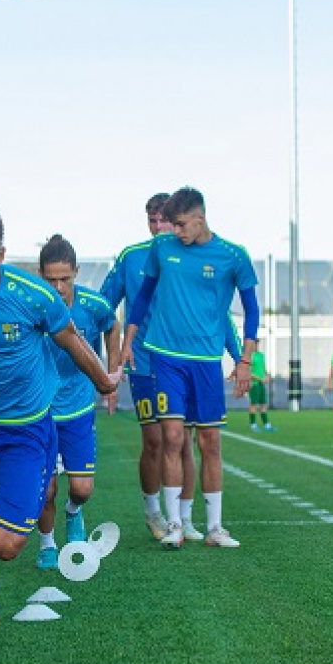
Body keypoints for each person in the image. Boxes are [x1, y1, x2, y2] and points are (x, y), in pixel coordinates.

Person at [0, 200, 119, 646]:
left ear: (2, 255)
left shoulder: (34, 296)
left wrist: (105, 382)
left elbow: (71, 340)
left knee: (6, 547)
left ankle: (16, 494)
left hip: (26, 430)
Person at [120, 186, 259, 549]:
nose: (174, 231)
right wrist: (128, 341)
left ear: (200, 218)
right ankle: (175, 525)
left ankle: (214, 528)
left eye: (181, 224)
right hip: (165, 358)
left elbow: (251, 312)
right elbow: (144, 295)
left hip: (207, 363)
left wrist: (244, 361)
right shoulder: (162, 249)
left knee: (210, 441)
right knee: (172, 438)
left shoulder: (233, 256)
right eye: (171, 224)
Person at [101, 194, 203, 543]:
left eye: (164, 220)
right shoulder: (132, 257)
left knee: (184, 442)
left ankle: (184, 519)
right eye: (152, 221)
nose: (158, 227)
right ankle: (153, 512)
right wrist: (110, 366)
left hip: (185, 362)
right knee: (156, 440)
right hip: (143, 362)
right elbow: (103, 309)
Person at [35, 234, 120, 570]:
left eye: (65, 279)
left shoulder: (94, 305)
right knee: (47, 488)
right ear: (41, 275)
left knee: (81, 488)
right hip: (41, 410)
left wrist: (111, 374)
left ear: (76, 273)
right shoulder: (33, 306)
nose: (58, 287)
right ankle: (46, 545)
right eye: (51, 279)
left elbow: (113, 328)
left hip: (80, 408)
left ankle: (74, 513)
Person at [249, 339, 275, 432]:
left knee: (264, 404)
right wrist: (259, 378)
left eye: (257, 344)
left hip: (261, 384)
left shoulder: (261, 355)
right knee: (254, 405)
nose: (256, 346)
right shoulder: (249, 357)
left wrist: (267, 376)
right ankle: (253, 424)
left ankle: (267, 424)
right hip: (254, 384)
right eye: (255, 344)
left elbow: (264, 369)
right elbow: (248, 372)